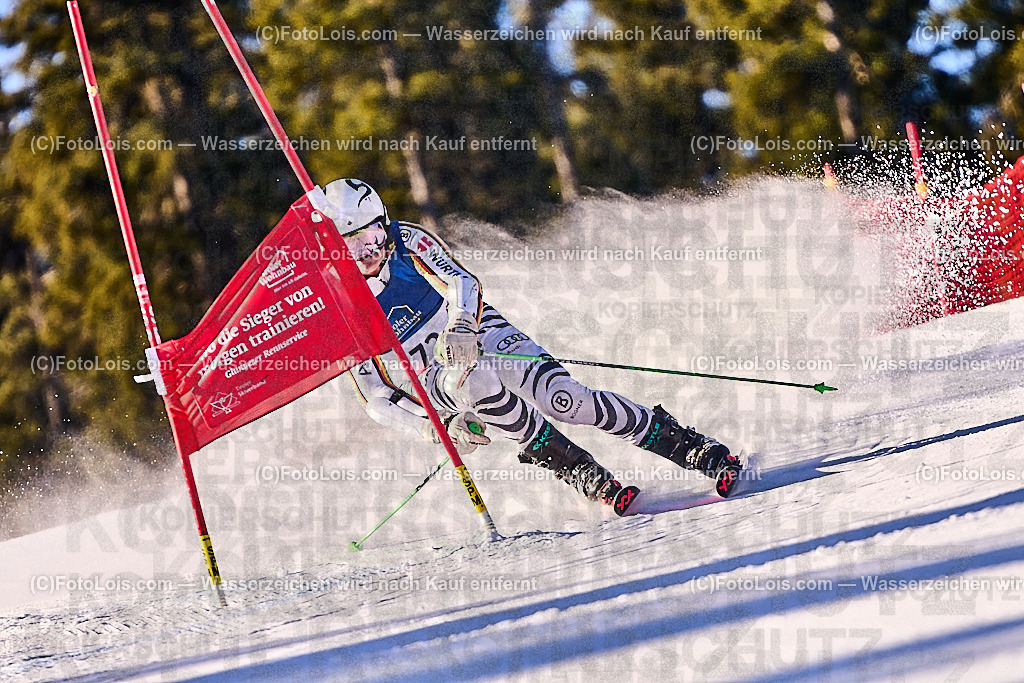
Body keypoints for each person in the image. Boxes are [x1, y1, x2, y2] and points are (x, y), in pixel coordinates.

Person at [331, 178, 740, 514]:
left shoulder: (407, 240)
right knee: (474, 383)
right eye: (353, 244)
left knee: (566, 400)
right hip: (434, 374)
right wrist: (431, 427)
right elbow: (376, 397)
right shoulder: (339, 305)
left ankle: (688, 446)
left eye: (373, 234)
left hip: (472, 328)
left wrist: (461, 323)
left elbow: (462, 281)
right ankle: (577, 468)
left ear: (384, 223)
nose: (369, 251)